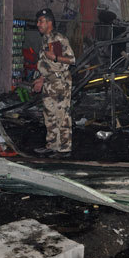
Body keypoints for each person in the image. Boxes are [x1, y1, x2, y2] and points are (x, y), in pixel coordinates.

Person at [32, 9, 76, 158]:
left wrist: (56, 57)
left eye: (41, 21)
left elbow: (71, 60)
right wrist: (41, 79)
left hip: (60, 83)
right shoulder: (46, 39)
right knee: (49, 116)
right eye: (38, 21)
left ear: (49, 22)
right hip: (49, 83)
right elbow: (48, 65)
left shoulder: (58, 39)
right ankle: (52, 145)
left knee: (62, 115)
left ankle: (64, 148)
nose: (38, 24)